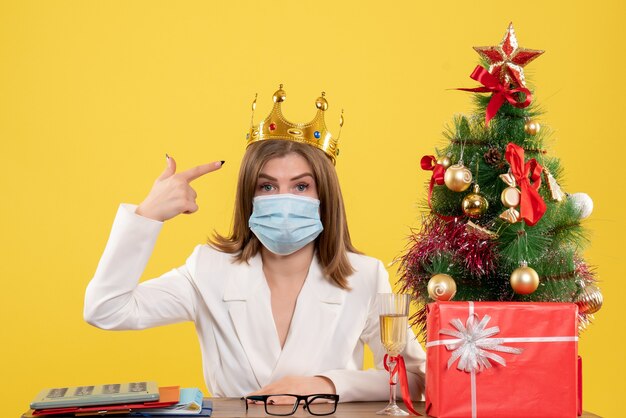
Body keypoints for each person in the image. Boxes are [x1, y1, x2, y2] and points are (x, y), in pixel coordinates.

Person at [84, 86, 426, 403]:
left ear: (325, 196)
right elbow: (106, 309)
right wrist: (148, 215)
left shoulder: (364, 276)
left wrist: (326, 384)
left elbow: (415, 377)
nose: (284, 199)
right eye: (267, 187)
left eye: (301, 186)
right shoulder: (208, 269)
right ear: (249, 197)